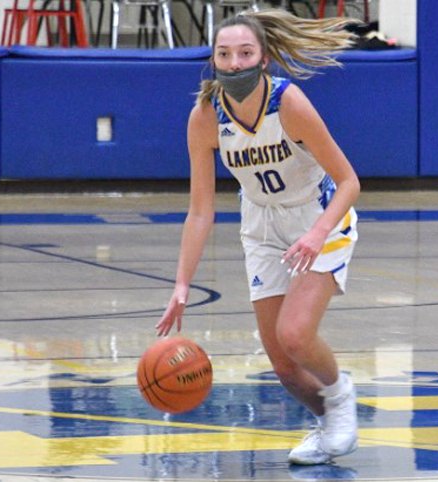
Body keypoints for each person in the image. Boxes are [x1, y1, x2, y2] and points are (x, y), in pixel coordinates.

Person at [155, 8, 360, 466]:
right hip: (261, 226)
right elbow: (200, 211)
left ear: (264, 59)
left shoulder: (289, 103)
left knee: (295, 334)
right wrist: (182, 284)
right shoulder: (205, 117)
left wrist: (317, 234)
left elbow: (349, 181)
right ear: (213, 60)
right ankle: (329, 424)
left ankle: (341, 396)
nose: (234, 63)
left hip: (318, 216)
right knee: (284, 367)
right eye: (224, 54)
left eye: (245, 53)